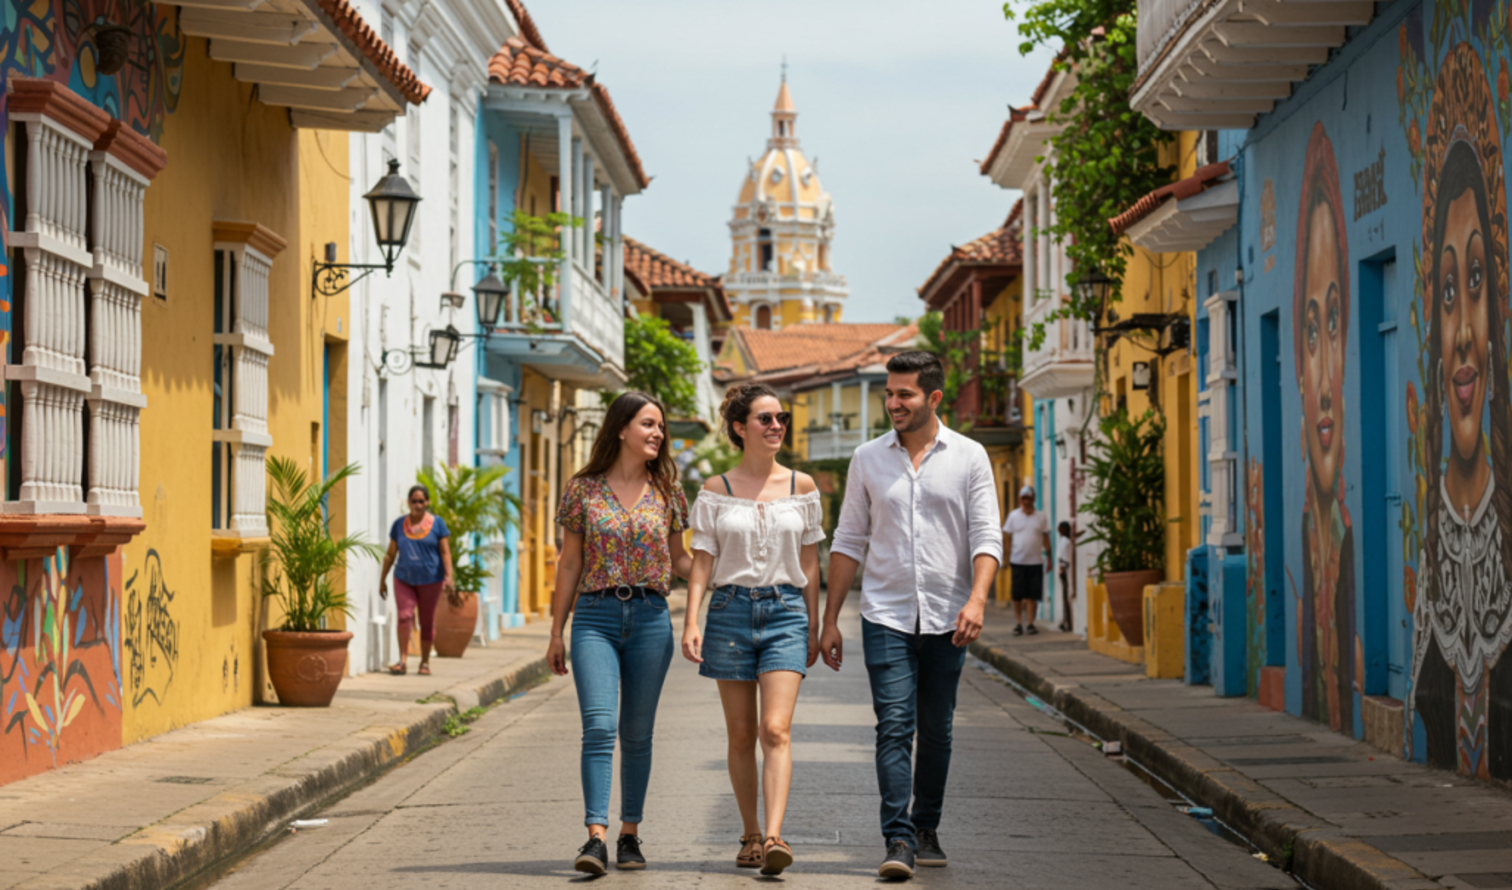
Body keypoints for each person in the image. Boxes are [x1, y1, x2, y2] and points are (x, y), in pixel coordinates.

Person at [818, 350, 1002, 880]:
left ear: (933, 398)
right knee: (894, 726)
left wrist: (978, 599)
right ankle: (897, 837)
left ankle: (926, 825)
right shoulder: (867, 459)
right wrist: (831, 619)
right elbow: (849, 539)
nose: (893, 403)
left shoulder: (969, 457)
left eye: (905, 395)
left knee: (937, 729)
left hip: (950, 614)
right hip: (885, 613)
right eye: (889, 394)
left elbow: (986, 534)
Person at [546, 391, 693, 875]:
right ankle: (595, 837)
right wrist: (555, 631)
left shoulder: (670, 490)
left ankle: (630, 834)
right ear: (621, 429)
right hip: (595, 616)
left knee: (637, 734)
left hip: (652, 617)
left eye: (661, 426)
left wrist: (724, 567)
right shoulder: (582, 490)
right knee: (600, 727)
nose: (658, 433)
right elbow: (569, 563)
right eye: (648, 424)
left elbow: (680, 561)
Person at [379, 484, 455, 676]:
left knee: (426, 622)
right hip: (404, 578)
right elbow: (390, 554)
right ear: (408, 502)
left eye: (421, 501)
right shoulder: (399, 525)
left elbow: (445, 553)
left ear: (427, 502)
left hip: (431, 580)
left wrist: (449, 576)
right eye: (414, 501)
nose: (418, 505)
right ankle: (403, 661)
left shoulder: (438, 524)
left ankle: (424, 662)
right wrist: (383, 579)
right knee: (404, 616)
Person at [1002, 486, 1051, 636]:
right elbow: (1007, 536)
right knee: (1017, 595)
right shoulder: (1013, 516)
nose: (1026, 501)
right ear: (1020, 499)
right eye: (1024, 498)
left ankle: (1030, 623)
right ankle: (1018, 623)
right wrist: (1006, 556)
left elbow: (1046, 538)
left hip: (1035, 561)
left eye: (1029, 498)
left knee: (1032, 595)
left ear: (1033, 499)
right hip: (1017, 560)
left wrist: (1049, 558)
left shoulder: (1041, 516)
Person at [1057, 520, 1075, 633]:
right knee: (1064, 597)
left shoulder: (1065, 541)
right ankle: (1065, 621)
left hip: (1064, 570)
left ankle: (1066, 623)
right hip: (1064, 569)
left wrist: (1062, 568)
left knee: (1065, 597)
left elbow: (1065, 557)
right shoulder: (1065, 540)